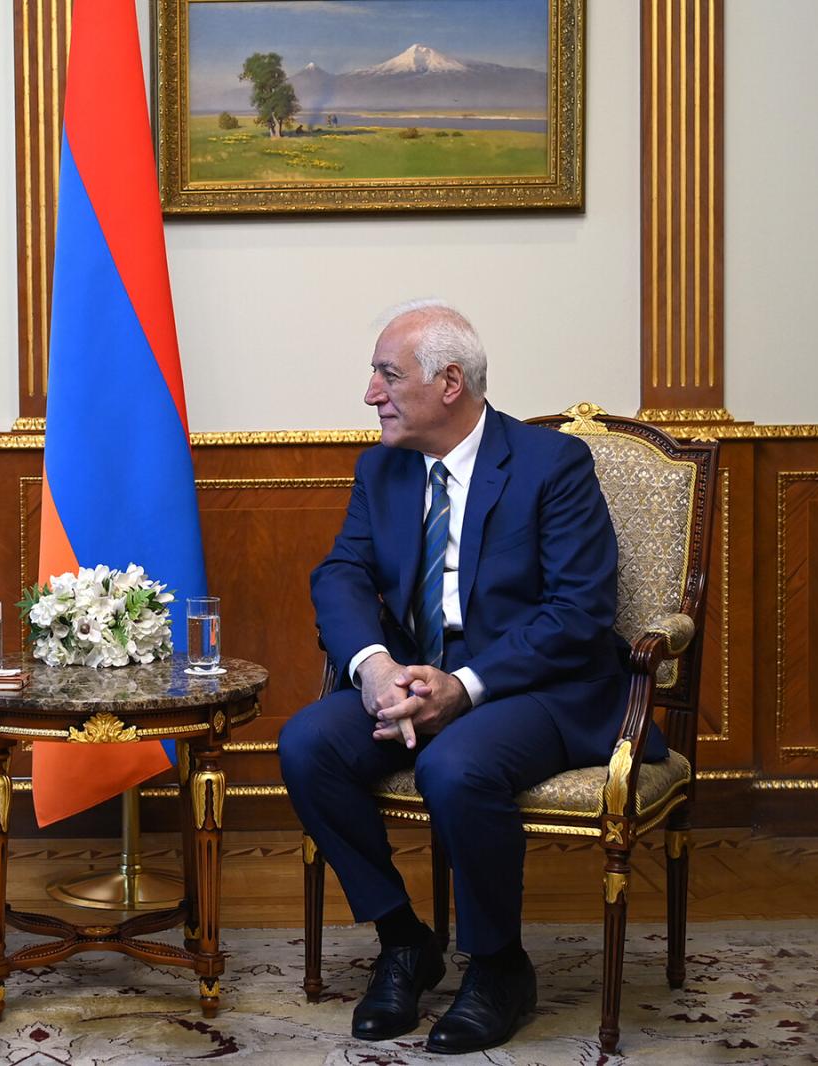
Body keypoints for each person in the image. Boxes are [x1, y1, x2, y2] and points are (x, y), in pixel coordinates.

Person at [279, 301, 663, 1055]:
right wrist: (376, 667)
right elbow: (341, 573)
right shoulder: (382, 468)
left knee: (455, 766)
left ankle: (497, 967)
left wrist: (466, 686)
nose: (371, 394)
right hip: (418, 674)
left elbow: (580, 613)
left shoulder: (552, 465)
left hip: (537, 687)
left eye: (388, 375)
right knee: (307, 744)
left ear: (449, 382)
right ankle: (404, 941)